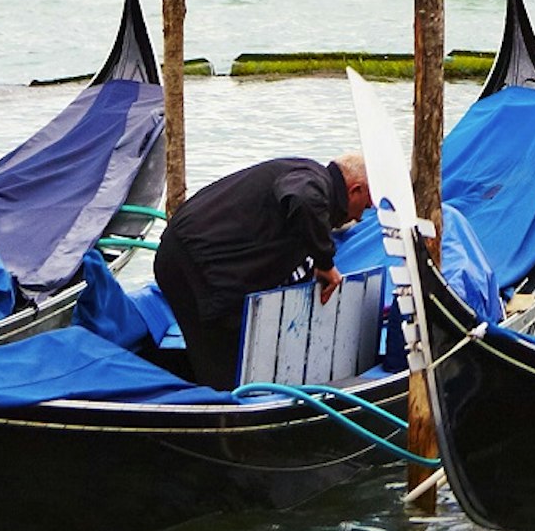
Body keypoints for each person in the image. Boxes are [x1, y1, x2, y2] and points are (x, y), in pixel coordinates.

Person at [152, 153, 373, 390]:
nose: (361, 216)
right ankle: (225, 411)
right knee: (225, 361)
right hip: (199, 264)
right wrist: (325, 262)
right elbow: (302, 199)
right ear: (355, 190)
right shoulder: (315, 182)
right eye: (366, 205)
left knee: (218, 353)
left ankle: (215, 400)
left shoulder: (302, 172)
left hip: (190, 257)